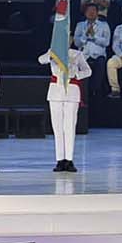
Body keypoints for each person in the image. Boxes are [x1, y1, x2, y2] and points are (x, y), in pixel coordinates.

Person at [38, 38, 91, 173]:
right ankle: (60, 160)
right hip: (56, 91)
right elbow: (41, 60)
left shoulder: (76, 54)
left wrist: (76, 75)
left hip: (72, 90)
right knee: (57, 127)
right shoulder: (52, 52)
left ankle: (69, 159)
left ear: (71, 39)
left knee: (69, 127)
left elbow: (87, 70)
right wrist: (52, 54)